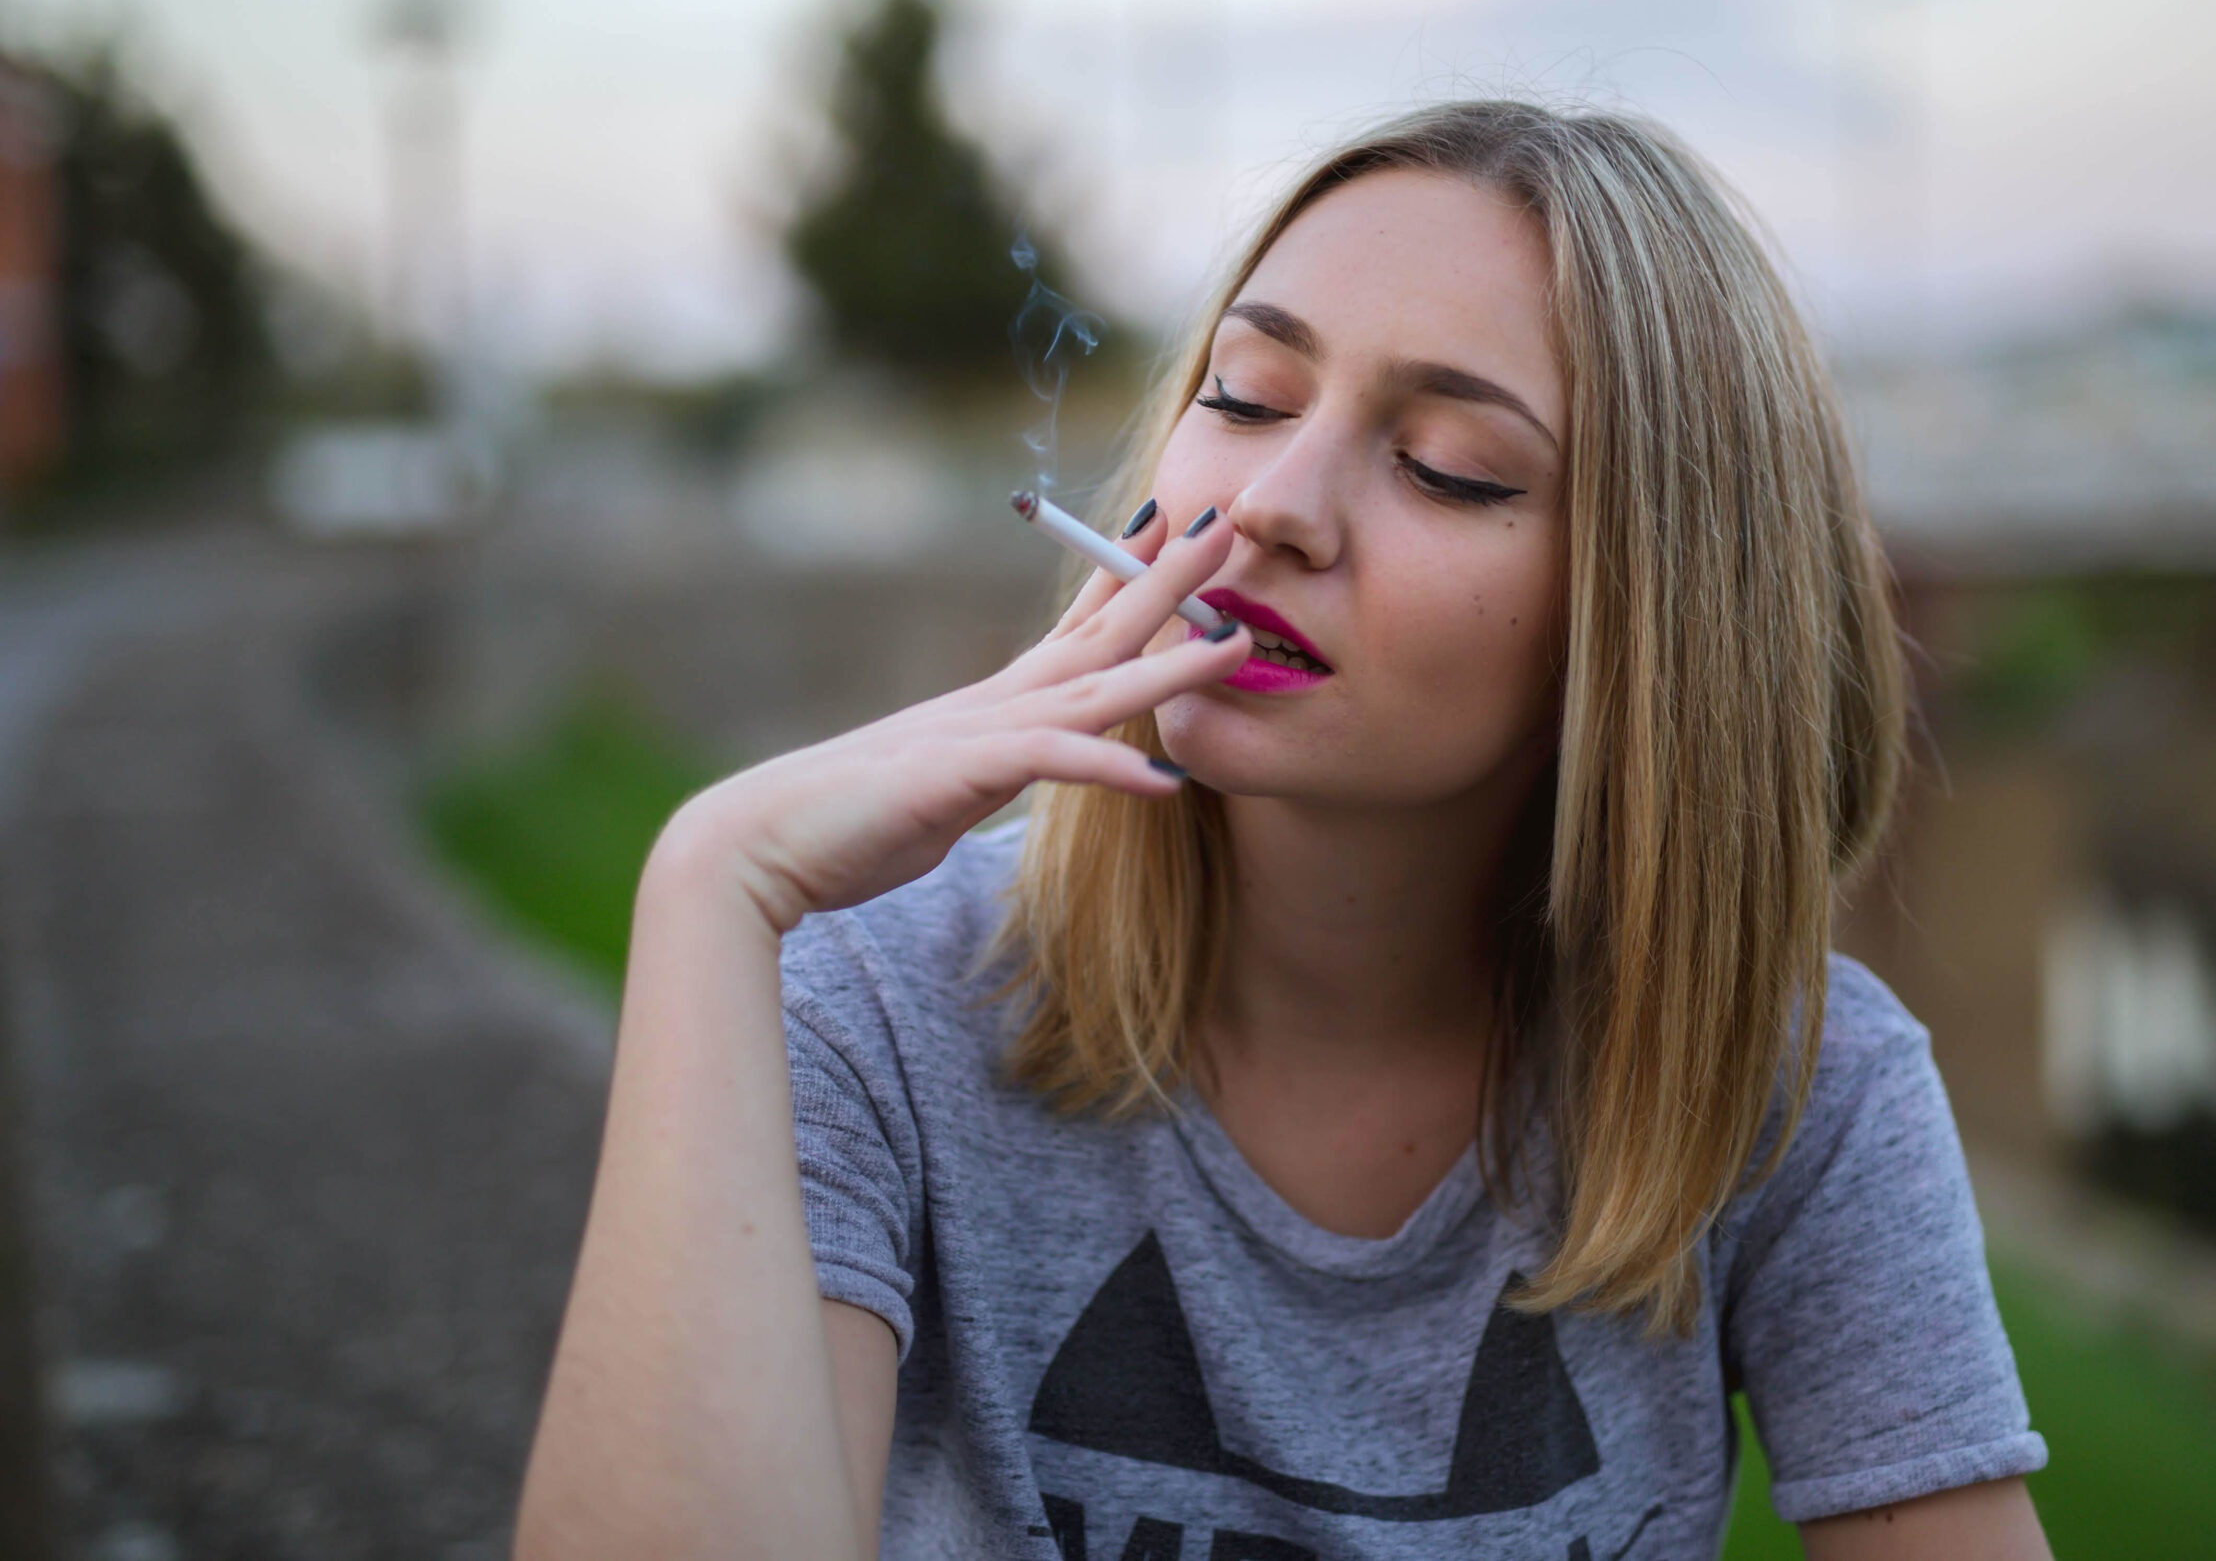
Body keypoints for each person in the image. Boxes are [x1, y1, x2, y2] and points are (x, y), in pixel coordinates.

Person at [516, 100, 2053, 1561]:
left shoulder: (1797, 1099)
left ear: (1653, 626)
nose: (1271, 503)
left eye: (1449, 467)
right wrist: (715, 886)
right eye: (1245, 396)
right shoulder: (877, 1001)